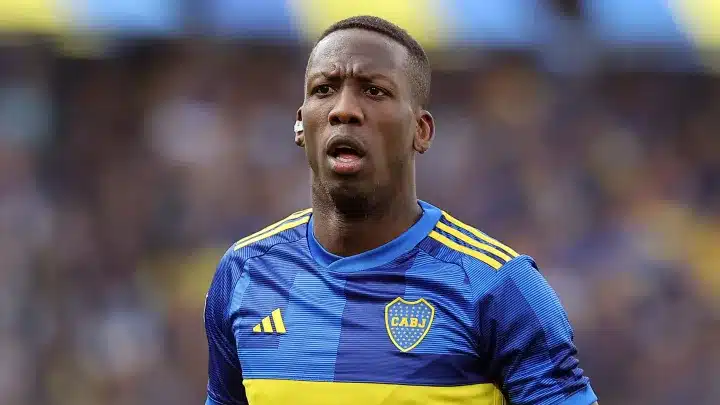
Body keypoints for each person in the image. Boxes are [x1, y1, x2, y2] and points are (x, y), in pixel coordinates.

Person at [204, 15, 599, 405]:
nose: (344, 110)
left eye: (374, 91)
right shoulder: (244, 272)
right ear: (300, 126)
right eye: (324, 89)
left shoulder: (496, 286)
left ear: (421, 131)